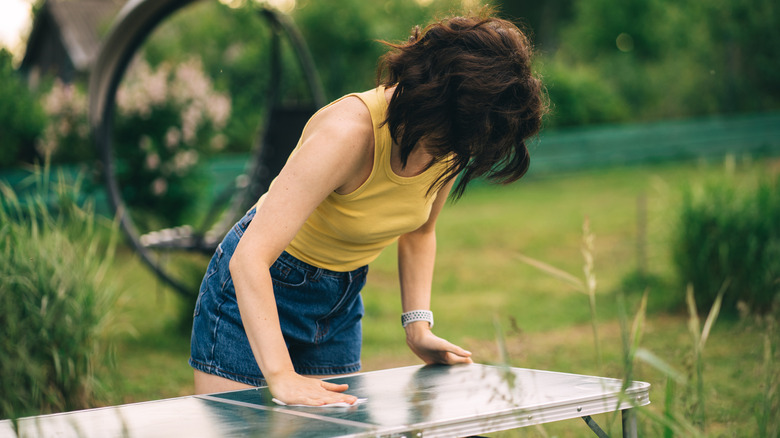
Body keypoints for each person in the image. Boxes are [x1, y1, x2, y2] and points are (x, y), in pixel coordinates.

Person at [189, 8, 546, 406]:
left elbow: (420, 230)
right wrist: (282, 376)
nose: (463, 153)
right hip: (256, 288)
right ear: (434, 100)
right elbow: (249, 258)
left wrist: (418, 326)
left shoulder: (455, 138)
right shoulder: (348, 134)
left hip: (339, 300)